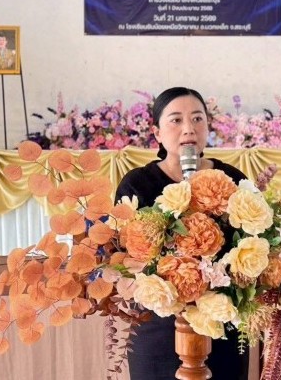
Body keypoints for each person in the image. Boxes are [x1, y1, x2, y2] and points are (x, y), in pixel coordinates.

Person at [115, 86, 249, 380]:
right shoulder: (137, 184)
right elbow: (122, 255)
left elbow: (254, 242)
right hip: (158, 324)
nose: (189, 128)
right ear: (157, 133)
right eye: (176, 120)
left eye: (198, 119)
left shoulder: (231, 179)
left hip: (221, 322)